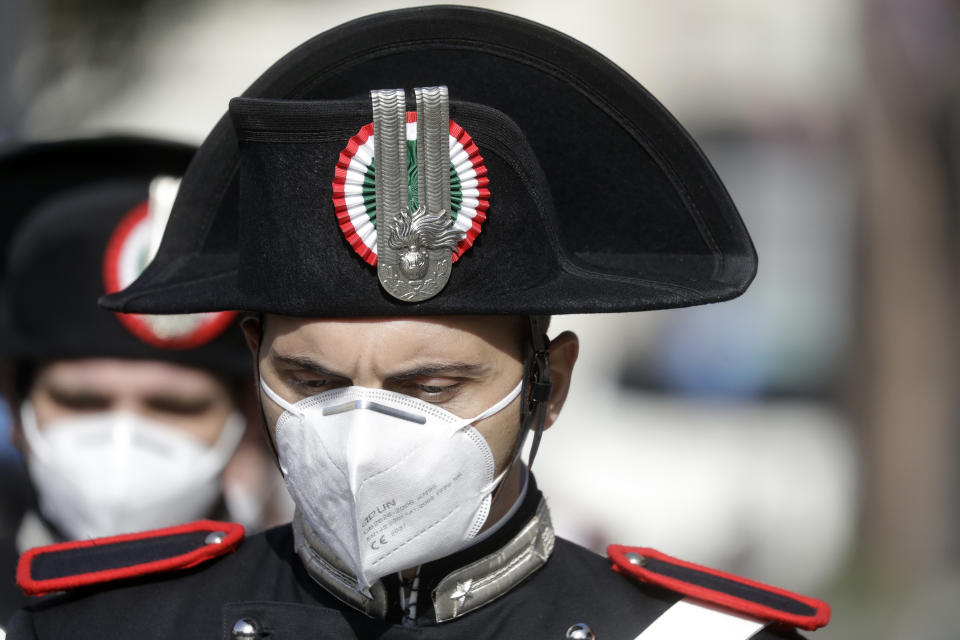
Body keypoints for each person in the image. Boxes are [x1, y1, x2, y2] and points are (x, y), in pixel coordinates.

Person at [7, 7, 831, 638]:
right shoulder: (99, 625)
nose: (363, 433)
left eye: (430, 385)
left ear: (551, 385)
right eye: (313, 381)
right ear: (253, 357)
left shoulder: (687, 634)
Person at [0, 137, 274, 628]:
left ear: (251, 417)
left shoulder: (301, 609)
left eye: (175, 407)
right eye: (81, 401)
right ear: (13, 401)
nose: (122, 439)